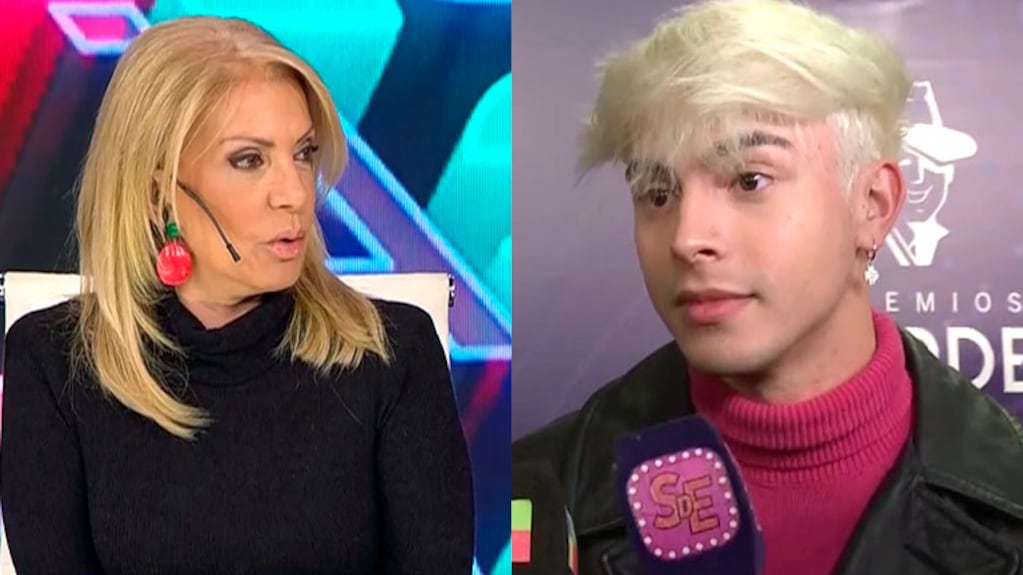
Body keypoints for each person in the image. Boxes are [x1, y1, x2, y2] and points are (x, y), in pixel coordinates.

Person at [513, 1, 1023, 574]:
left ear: (872, 205)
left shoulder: (1007, 498)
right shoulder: (526, 502)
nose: (687, 237)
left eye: (749, 179)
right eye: (657, 192)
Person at [0, 15, 474, 574]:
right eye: (249, 160)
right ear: (158, 195)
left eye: (303, 153)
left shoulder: (392, 352)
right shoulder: (53, 362)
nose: (294, 193)